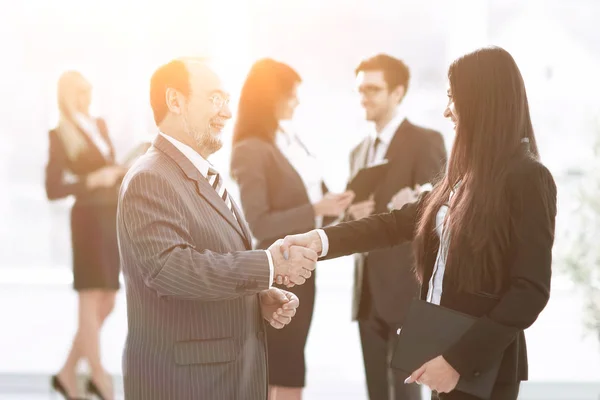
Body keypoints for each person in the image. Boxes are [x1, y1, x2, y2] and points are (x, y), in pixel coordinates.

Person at [278, 46, 557, 400]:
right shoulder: (463, 176)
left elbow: (529, 291)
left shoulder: (528, 178)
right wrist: (319, 241)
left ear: (481, 101)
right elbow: (395, 224)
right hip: (440, 353)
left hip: (479, 369)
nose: (446, 110)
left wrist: (458, 361)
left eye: (453, 98)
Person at [116, 58, 317, 400]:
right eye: (214, 99)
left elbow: (209, 260)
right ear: (175, 101)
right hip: (186, 384)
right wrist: (267, 267)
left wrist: (253, 299)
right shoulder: (151, 177)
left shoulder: (201, 175)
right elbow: (170, 270)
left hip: (220, 378)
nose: (226, 112)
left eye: (226, 100)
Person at [230, 58, 354, 400]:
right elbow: (260, 222)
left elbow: (316, 202)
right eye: (291, 94)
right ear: (270, 97)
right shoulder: (250, 150)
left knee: (291, 359)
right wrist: (316, 209)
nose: (297, 102)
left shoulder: (291, 141)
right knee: (282, 362)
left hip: (304, 266)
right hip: (277, 270)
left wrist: (341, 207)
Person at [343, 54, 446, 400]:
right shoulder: (358, 151)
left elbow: (442, 209)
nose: (364, 97)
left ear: (398, 92)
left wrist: (418, 198)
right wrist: (351, 215)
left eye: (373, 89)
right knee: (375, 392)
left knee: (406, 393)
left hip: (406, 289)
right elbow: (350, 219)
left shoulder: (425, 140)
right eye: (360, 89)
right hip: (367, 293)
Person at [46, 70, 126, 400]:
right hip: (88, 221)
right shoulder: (59, 134)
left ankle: (67, 373)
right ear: (67, 94)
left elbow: (108, 167)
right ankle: (98, 377)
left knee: (107, 300)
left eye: (89, 89)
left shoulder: (100, 125)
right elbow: (53, 188)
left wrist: (119, 172)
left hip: (110, 219)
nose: (87, 96)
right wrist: (92, 181)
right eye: (81, 91)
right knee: (91, 296)